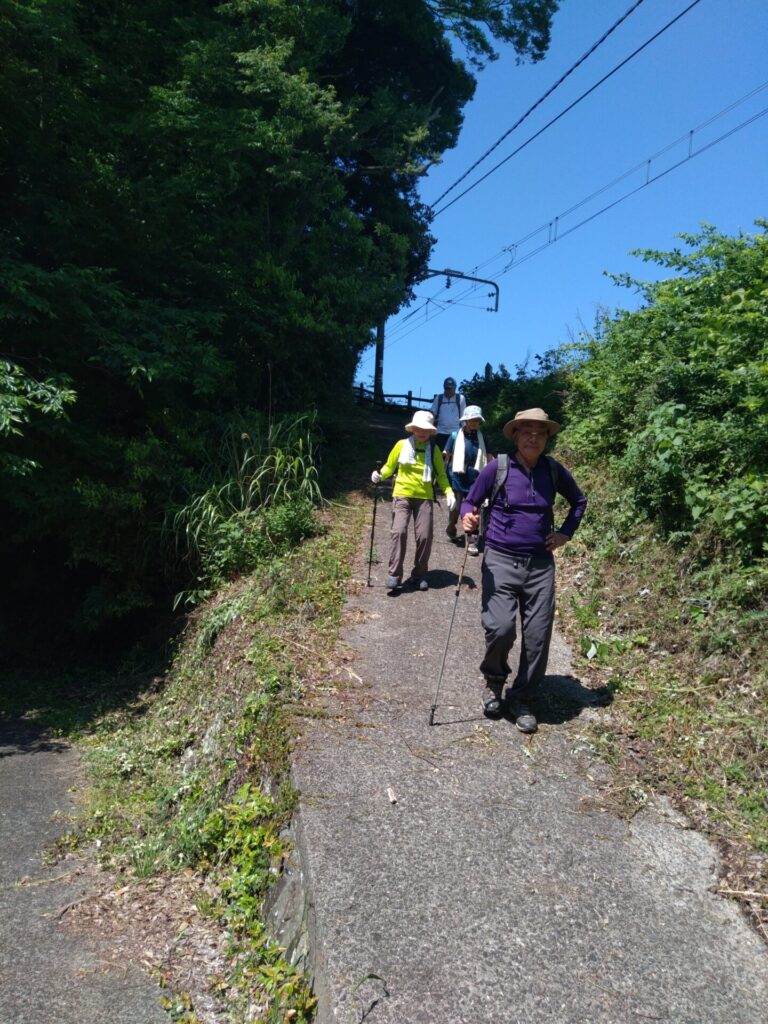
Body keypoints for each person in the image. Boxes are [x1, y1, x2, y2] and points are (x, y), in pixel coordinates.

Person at [460, 408, 587, 733]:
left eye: (540, 432)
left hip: (540, 565)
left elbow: (579, 501)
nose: (533, 437)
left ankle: (523, 698)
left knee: (538, 635)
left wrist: (565, 533)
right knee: (501, 628)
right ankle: (494, 682)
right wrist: (468, 517)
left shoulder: (553, 470)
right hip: (500, 560)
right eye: (527, 431)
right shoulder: (498, 467)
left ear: (547, 439)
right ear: (515, 435)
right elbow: (470, 501)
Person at [371, 410, 456, 592]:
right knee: (399, 531)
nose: (421, 432)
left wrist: (449, 492)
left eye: (425, 429)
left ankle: (419, 574)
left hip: (425, 497)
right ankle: (394, 575)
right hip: (402, 493)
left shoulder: (434, 450)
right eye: (418, 428)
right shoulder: (401, 445)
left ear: (431, 431)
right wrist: (379, 475)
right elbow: (389, 466)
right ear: (412, 429)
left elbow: (441, 475)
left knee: (425, 536)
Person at [443, 404, 489, 555]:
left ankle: (471, 541)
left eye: (477, 420)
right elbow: (446, 453)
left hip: (476, 477)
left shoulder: (482, 437)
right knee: (456, 508)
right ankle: (451, 526)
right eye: (472, 420)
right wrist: (440, 471)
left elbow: (489, 456)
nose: (474, 423)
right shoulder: (455, 435)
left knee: (474, 509)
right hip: (457, 475)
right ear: (465, 420)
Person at [430, 377, 467, 453]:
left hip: (454, 432)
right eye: (446, 388)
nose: (448, 390)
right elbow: (432, 414)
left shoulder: (460, 398)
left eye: (450, 388)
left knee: (453, 452)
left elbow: (463, 416)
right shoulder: (439, 398)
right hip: (440, 432)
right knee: (439, 453)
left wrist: (465, 431)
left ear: (455, 388)